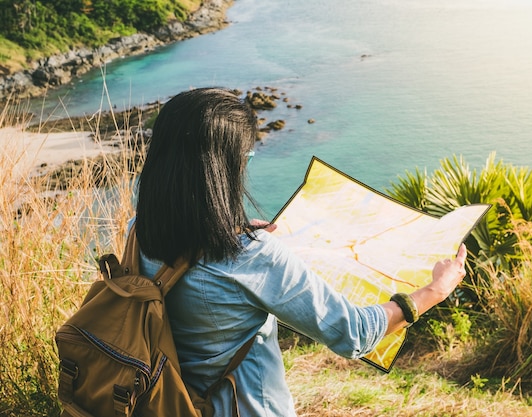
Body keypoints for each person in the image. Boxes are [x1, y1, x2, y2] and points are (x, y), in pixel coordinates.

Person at [133, 87, 467, 416]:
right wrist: (435, 290)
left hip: (168, 403)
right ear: (224, 168)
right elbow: (354, 334)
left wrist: (227, 224)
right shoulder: (250, 256)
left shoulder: (140, 230)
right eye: (246, 156)